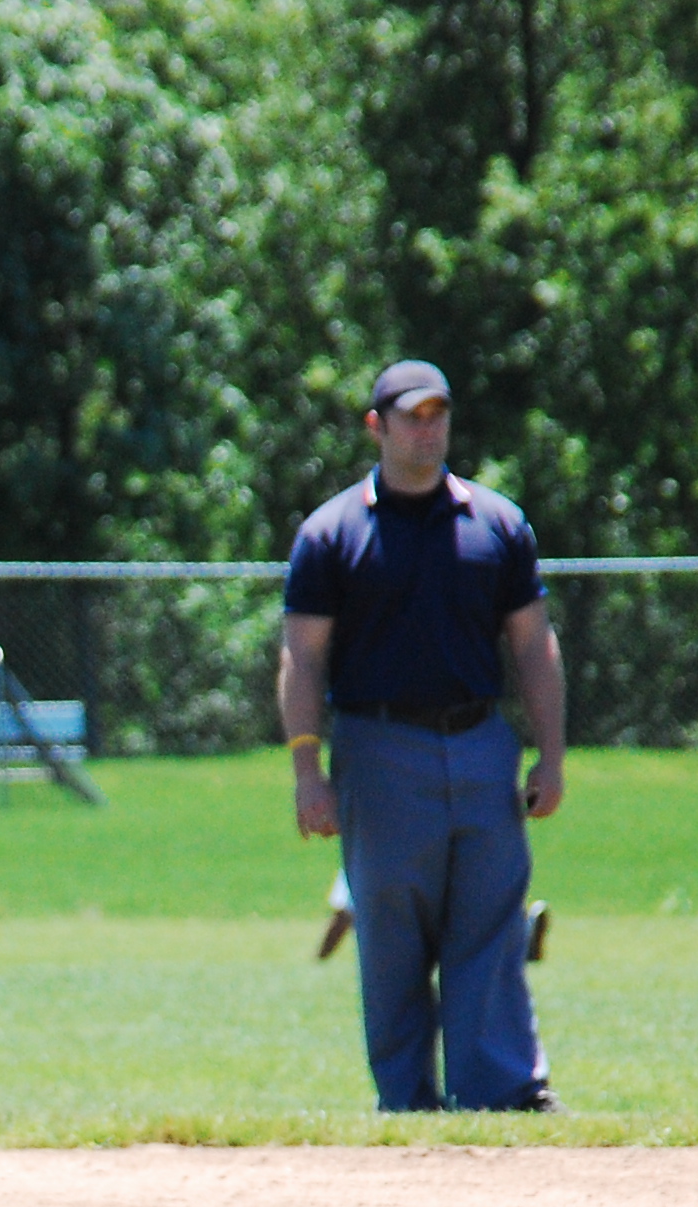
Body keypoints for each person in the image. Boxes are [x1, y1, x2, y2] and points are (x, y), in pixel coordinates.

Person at [278, 360, 565, 1112]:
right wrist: (307, 770)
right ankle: (407, 1102)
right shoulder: (333, 532)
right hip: (377, 748)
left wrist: (551, 755)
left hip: (479, 741)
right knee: (392, 935)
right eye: (411, 416)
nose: (427, 429)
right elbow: (302, 657)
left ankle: (502, 1092)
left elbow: (533, 644)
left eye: (438, 414)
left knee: (490, 925)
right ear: (377, 426)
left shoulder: (496, 523)